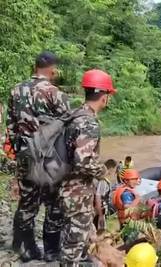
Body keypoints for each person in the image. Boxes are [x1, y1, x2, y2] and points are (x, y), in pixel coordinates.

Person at [7, 51, 70, 262]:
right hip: (50, 159)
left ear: (35, 67)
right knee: (53, 203)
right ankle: (52, 251)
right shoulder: (55, 93)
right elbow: (67, 127)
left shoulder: (15, 90)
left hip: (26, 155)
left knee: (27, 203)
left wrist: (19, 153)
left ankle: (26, 248)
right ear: (52, 69)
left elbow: (11, 126)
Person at [59, 69, 116, 265]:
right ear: (104, 96)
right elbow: (82, 160)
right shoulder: (89, 122)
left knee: (71, 238)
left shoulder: (74, 115)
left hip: (65, 186)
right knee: (73, 247)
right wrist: (102, 171)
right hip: (77, 193)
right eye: (108, 94)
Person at [94, 159, 118, 231]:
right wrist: (100, 214)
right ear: (110, 169)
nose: (115, 172)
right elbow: (98, 197)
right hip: (100, 210)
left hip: (103, 209)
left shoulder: (105, 181)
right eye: (115, 170)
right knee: (101, 228)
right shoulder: (103, 182)